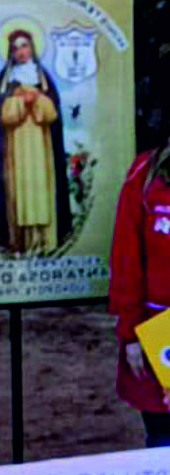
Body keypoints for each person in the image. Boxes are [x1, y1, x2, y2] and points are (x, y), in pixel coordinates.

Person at [108, 138, 170, 446]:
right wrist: (130, 334)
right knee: (164, 441)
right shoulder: (146, 173)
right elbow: (125, 259)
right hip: (159, 333)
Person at [0, 28, 72, 254]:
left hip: (40, 146)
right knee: (20, 192)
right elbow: (2, 116)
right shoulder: (6, 80)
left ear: (32, 47)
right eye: (15, 48)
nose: (21, 52)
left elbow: (52, 114)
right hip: (16, 147)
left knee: (41, 190)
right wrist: (19, 103)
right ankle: (22, 241)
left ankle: (45, 240)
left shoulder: (42, 78)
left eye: (24, 45)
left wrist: (37, 100)